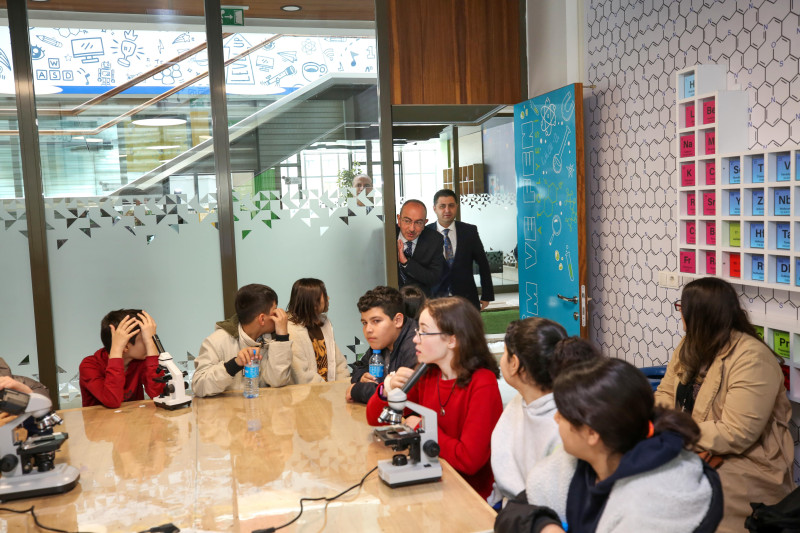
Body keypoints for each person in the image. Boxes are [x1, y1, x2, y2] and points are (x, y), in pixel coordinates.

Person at [496, 357, 723, 533]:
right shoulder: (578, 463)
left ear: (591, 433)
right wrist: (544, 526)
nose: (556, 419)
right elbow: (514, 511)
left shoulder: (648, 507)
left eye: (562, 415)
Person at [654, 277, 794, 533]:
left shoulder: (752, 358)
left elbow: (737, 432)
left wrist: (675, 432)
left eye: (681, 308)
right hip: (692, 443)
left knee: (676, 496)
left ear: (700, 314)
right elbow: (665, 391)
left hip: (743, 460)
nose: (680, 314)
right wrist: (659, 423)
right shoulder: (690, 343)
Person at [366, 296, 503, 499]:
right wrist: (387, 390)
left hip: (470, 495)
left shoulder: (482, 383)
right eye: (416, 331)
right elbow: (375, 419)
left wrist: (423, 427)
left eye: (423, 332)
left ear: (452, 340)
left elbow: (469, 461)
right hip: (435, 479)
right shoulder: (428, 373)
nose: (415, 339)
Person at [490, 321, 602, 505]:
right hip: (512, 508)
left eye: (504, 353)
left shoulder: (564, 425)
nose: (502, 359)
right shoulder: (521, 400)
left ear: (515, 364)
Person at [192, 284, 292, 397]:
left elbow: (278, 382)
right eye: (275, 311)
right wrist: (234, 365)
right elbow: (199, 386)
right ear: (262, 319)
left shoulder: (272, 339)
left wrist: (282, 338)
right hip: (229, 408)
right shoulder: (217, 341)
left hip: (263, 406)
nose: (280, 317)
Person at [79, 309, 165, 408]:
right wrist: (116, 350)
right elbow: (112, 401)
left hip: (133, 417)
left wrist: (151, 347)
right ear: (125, 346)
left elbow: (158, 395)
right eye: (145, 339)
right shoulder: (89, 366)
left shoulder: (140, 361)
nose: (151, 343)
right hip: (101, 418)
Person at [347, 286, 417, 404]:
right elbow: (359, 367)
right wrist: (362, 377)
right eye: (364, 323)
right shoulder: (383, 341)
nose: (368, 329)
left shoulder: (415, 345)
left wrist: (357, 390)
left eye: (376, 321)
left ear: (397, 320)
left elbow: (402, 394)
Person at [427, 189, 495, 310]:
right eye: (442, 206)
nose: (447, 210)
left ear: (456, 207)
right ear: (434, 208)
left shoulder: (469, 231)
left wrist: (487, 295)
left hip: (466, 299)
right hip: (434, 300)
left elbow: (483, 264)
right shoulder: (425, 233)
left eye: (451, 205)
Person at [286, 278, 350, 384]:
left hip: (331, 391)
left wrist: (343, 387)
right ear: (313, 301)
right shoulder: (290, 330)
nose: (328, 298)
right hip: (308, 393)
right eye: (325, 295)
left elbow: (338, 363)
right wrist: (329, 390)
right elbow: (302, 375)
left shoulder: (324, 323)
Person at [396, 199, 444, 296]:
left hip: (420, 299)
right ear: (399, 219)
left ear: (425, 223)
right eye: (407, 221)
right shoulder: (386, 234)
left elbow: (434, 278)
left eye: (418, 223)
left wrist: (406, 263)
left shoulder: (434, 240)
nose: (412, 229)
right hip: (387, 299)